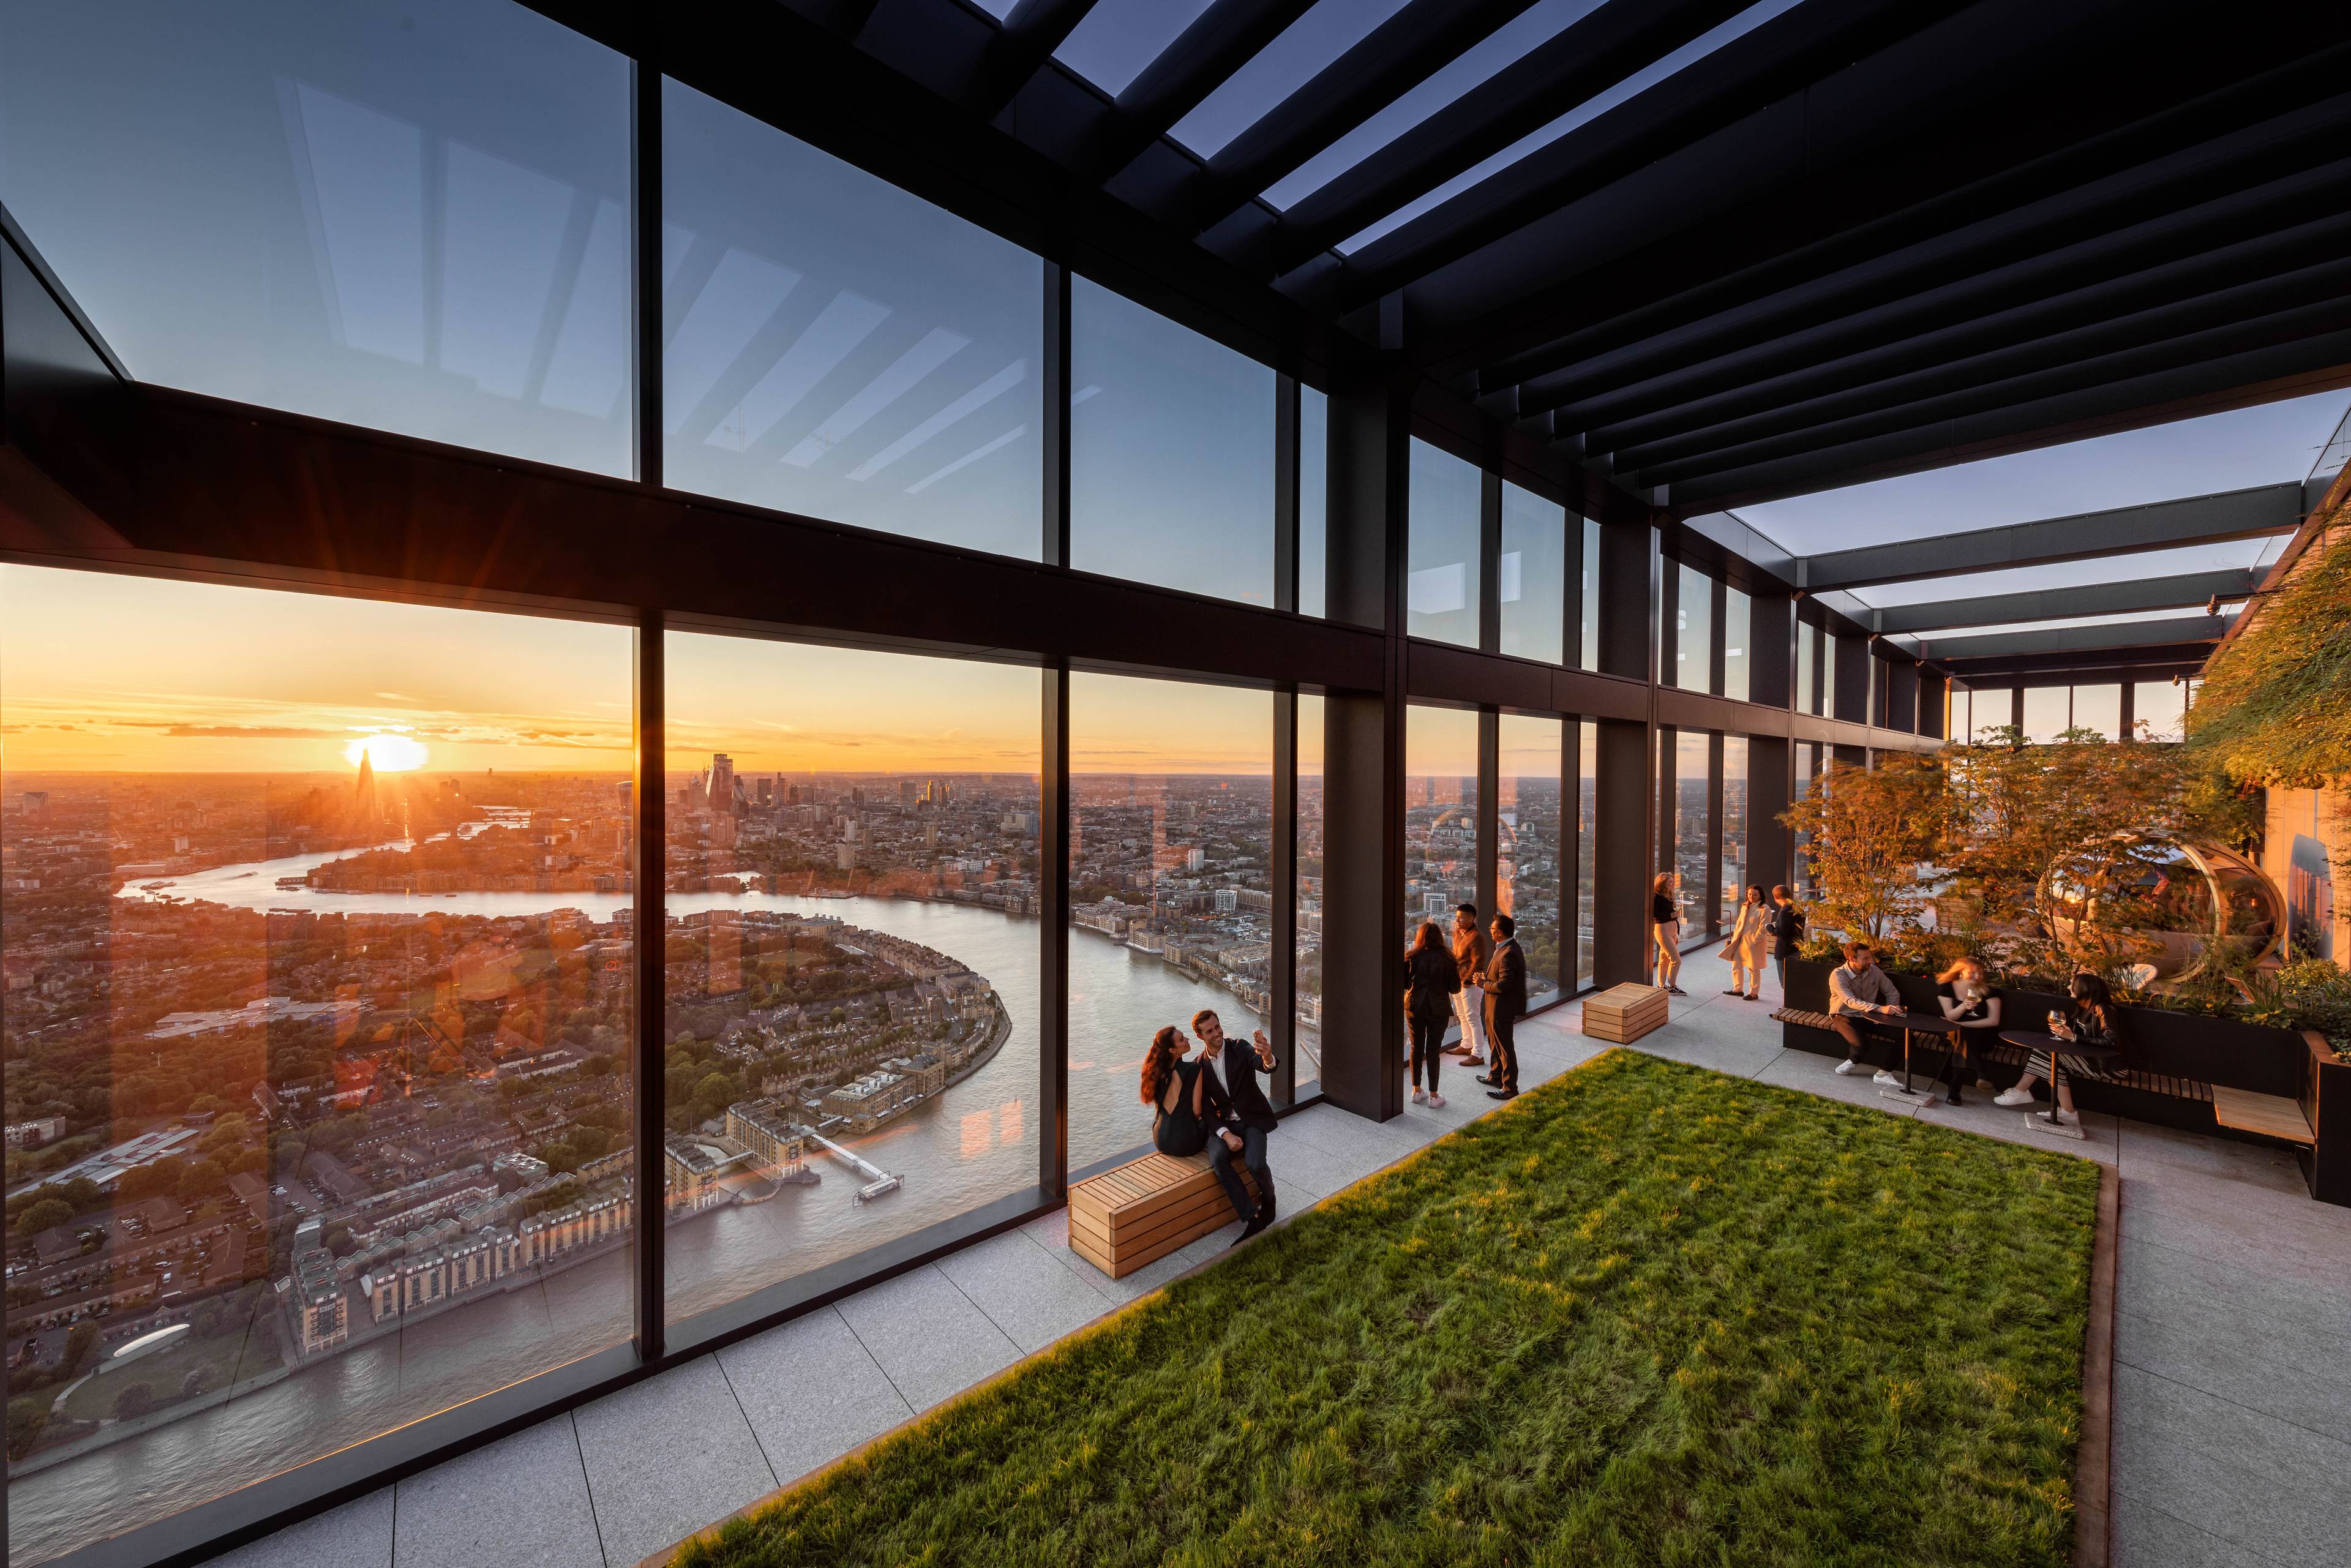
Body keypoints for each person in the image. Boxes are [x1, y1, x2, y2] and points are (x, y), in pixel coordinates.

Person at [1140, 1026, 1253, 1225]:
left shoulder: (1156, 1072)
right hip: (1185, 1144)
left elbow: (1159, 1107)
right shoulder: (1194, 1069)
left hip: (1160, 1139)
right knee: (1208, 1128)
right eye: (1182, 1040)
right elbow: (1197, 1111)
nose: (1187, 1040)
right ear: (1173, 1050)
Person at [1994, 972, 2124, 1133]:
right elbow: (2083, 1038)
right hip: (2091, 1059)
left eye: (2073, 985)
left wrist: (2074, 1037)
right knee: (2051, 1061)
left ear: (2083, 989)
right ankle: (2067, 1112)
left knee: (2044, 1054)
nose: (2070, 987)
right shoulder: (2084, 1008)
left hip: (2109, 1066)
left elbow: (2111, 1041)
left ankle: (2021, 1091)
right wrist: (2068, 1035)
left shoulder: (2103, 1010)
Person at [1193, 1009, 1280, 1242]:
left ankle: (1269, 1199)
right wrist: (1225, 1134)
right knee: (1219, 1161)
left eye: (1217, 1027)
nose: (1217, 1033)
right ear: (1200, 1036)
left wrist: (1268, 1056)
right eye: (1210, 1031)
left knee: (1255, 1164)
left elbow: (1263, 1065)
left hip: (1252, 1120)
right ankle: (1252, 1218)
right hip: (1223, 1126)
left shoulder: (1239, 1047)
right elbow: (1205, 1109)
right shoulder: (1199, 1066)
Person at [1826, 940, 1908, 1088]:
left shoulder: (1874, 971)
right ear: (1851, 959)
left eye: (1870, 957)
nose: (1870, 961)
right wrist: (1880, 1009)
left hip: (1870, 1015)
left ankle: (1883, 1073)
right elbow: (1850, 1001)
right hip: (1844, 1016)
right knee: (1861, 1045)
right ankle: (1853, 1061)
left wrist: (1890, 1014)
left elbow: (1892, 992)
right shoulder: (1838, 976)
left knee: (1907, 1037)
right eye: (1866, 959)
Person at [1403, 920, 1459, 1108]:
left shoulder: (1411, 957)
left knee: (1416, 1048)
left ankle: (1416, 1091)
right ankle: (1435, 1096)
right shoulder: (1449, 960)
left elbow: (1404, 983)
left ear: (1420, 937)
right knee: (1434, 1050)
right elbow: (1456, 988)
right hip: (1438, 1009)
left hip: (1414, 1007)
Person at [1933, 956, 2003, 1105]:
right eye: (1972, 972)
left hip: (1981, 1036)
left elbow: (1993, 1020)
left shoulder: (1989, 991)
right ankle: (1981, 1074)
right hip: (1950, 1033)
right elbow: (1950, 1016)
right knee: (1961, 1035)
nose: (1977, 977)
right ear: (1960, 972)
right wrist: (1963, 1006)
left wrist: (1965, 1025)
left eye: (1980, 973)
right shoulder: (1946, 987)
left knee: (1962, 1037)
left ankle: (1954, 1092)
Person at [1477, 913, 1528, 1100]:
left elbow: (1504, 985)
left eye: (1492, 929)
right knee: (1495, 1044)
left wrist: (1483, 984)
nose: (1490, 931)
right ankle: (1496, 1076)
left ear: (1499, 933)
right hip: (1495, 1007)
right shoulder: (1505, 948)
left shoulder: (1509, 953)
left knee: (1505, 1047)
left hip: (1502, 1007)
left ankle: (1510, 1087)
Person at [1447, 903, 1491, 1065]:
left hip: (1470, 984)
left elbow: (1477, 963)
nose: (1457, 920)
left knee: (1473, 1018)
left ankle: (1478, 1054)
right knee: (1462, 1016)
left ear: (1472, 919)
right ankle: (1466, 1045)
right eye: (1457, 916)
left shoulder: (1477, 937)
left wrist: (1466, 980)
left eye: (1461, 917)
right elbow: (1456, 955)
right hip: (1458, 981)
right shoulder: (1459, 932)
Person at [1722, 885, 1769, 1000]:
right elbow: (1739, 921)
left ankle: (1754, 993)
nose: (1751, 897)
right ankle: (1738, 989)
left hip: (1753, 943)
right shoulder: (1745, 906)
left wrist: (1754, 940)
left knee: (1753, 967)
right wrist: (1735, 934)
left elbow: (1764, 928)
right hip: (1740, 940)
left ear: (1761, 896)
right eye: (1749, 894)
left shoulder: (1764, 909)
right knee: (1736, 964)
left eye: (1755, 895)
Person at [1651, 872, 1685, 995]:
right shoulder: (1657, 897)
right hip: (1663, 929)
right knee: (1676, 960)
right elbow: (1656, 915)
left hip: (1672, 928)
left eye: (1673, 882)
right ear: (1662, 883)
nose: (1673, 884)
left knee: (1664, 959)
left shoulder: (1669, 895)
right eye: (1670, 882)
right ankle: (1672, 986)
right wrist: (1672, 914)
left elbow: (1672, 911)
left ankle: (1661, 985)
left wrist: (1677, 909)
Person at [1768, 885, 1805, 997]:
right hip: (1798, 947)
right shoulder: (1798, 908)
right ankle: (1792, 1004)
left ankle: (1787, 1006)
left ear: (1775, 896)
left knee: (1786, 982)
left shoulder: (1785, 911)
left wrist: (1770, 928)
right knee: (1794, 980)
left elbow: (1782, 933)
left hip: (1784, 950)